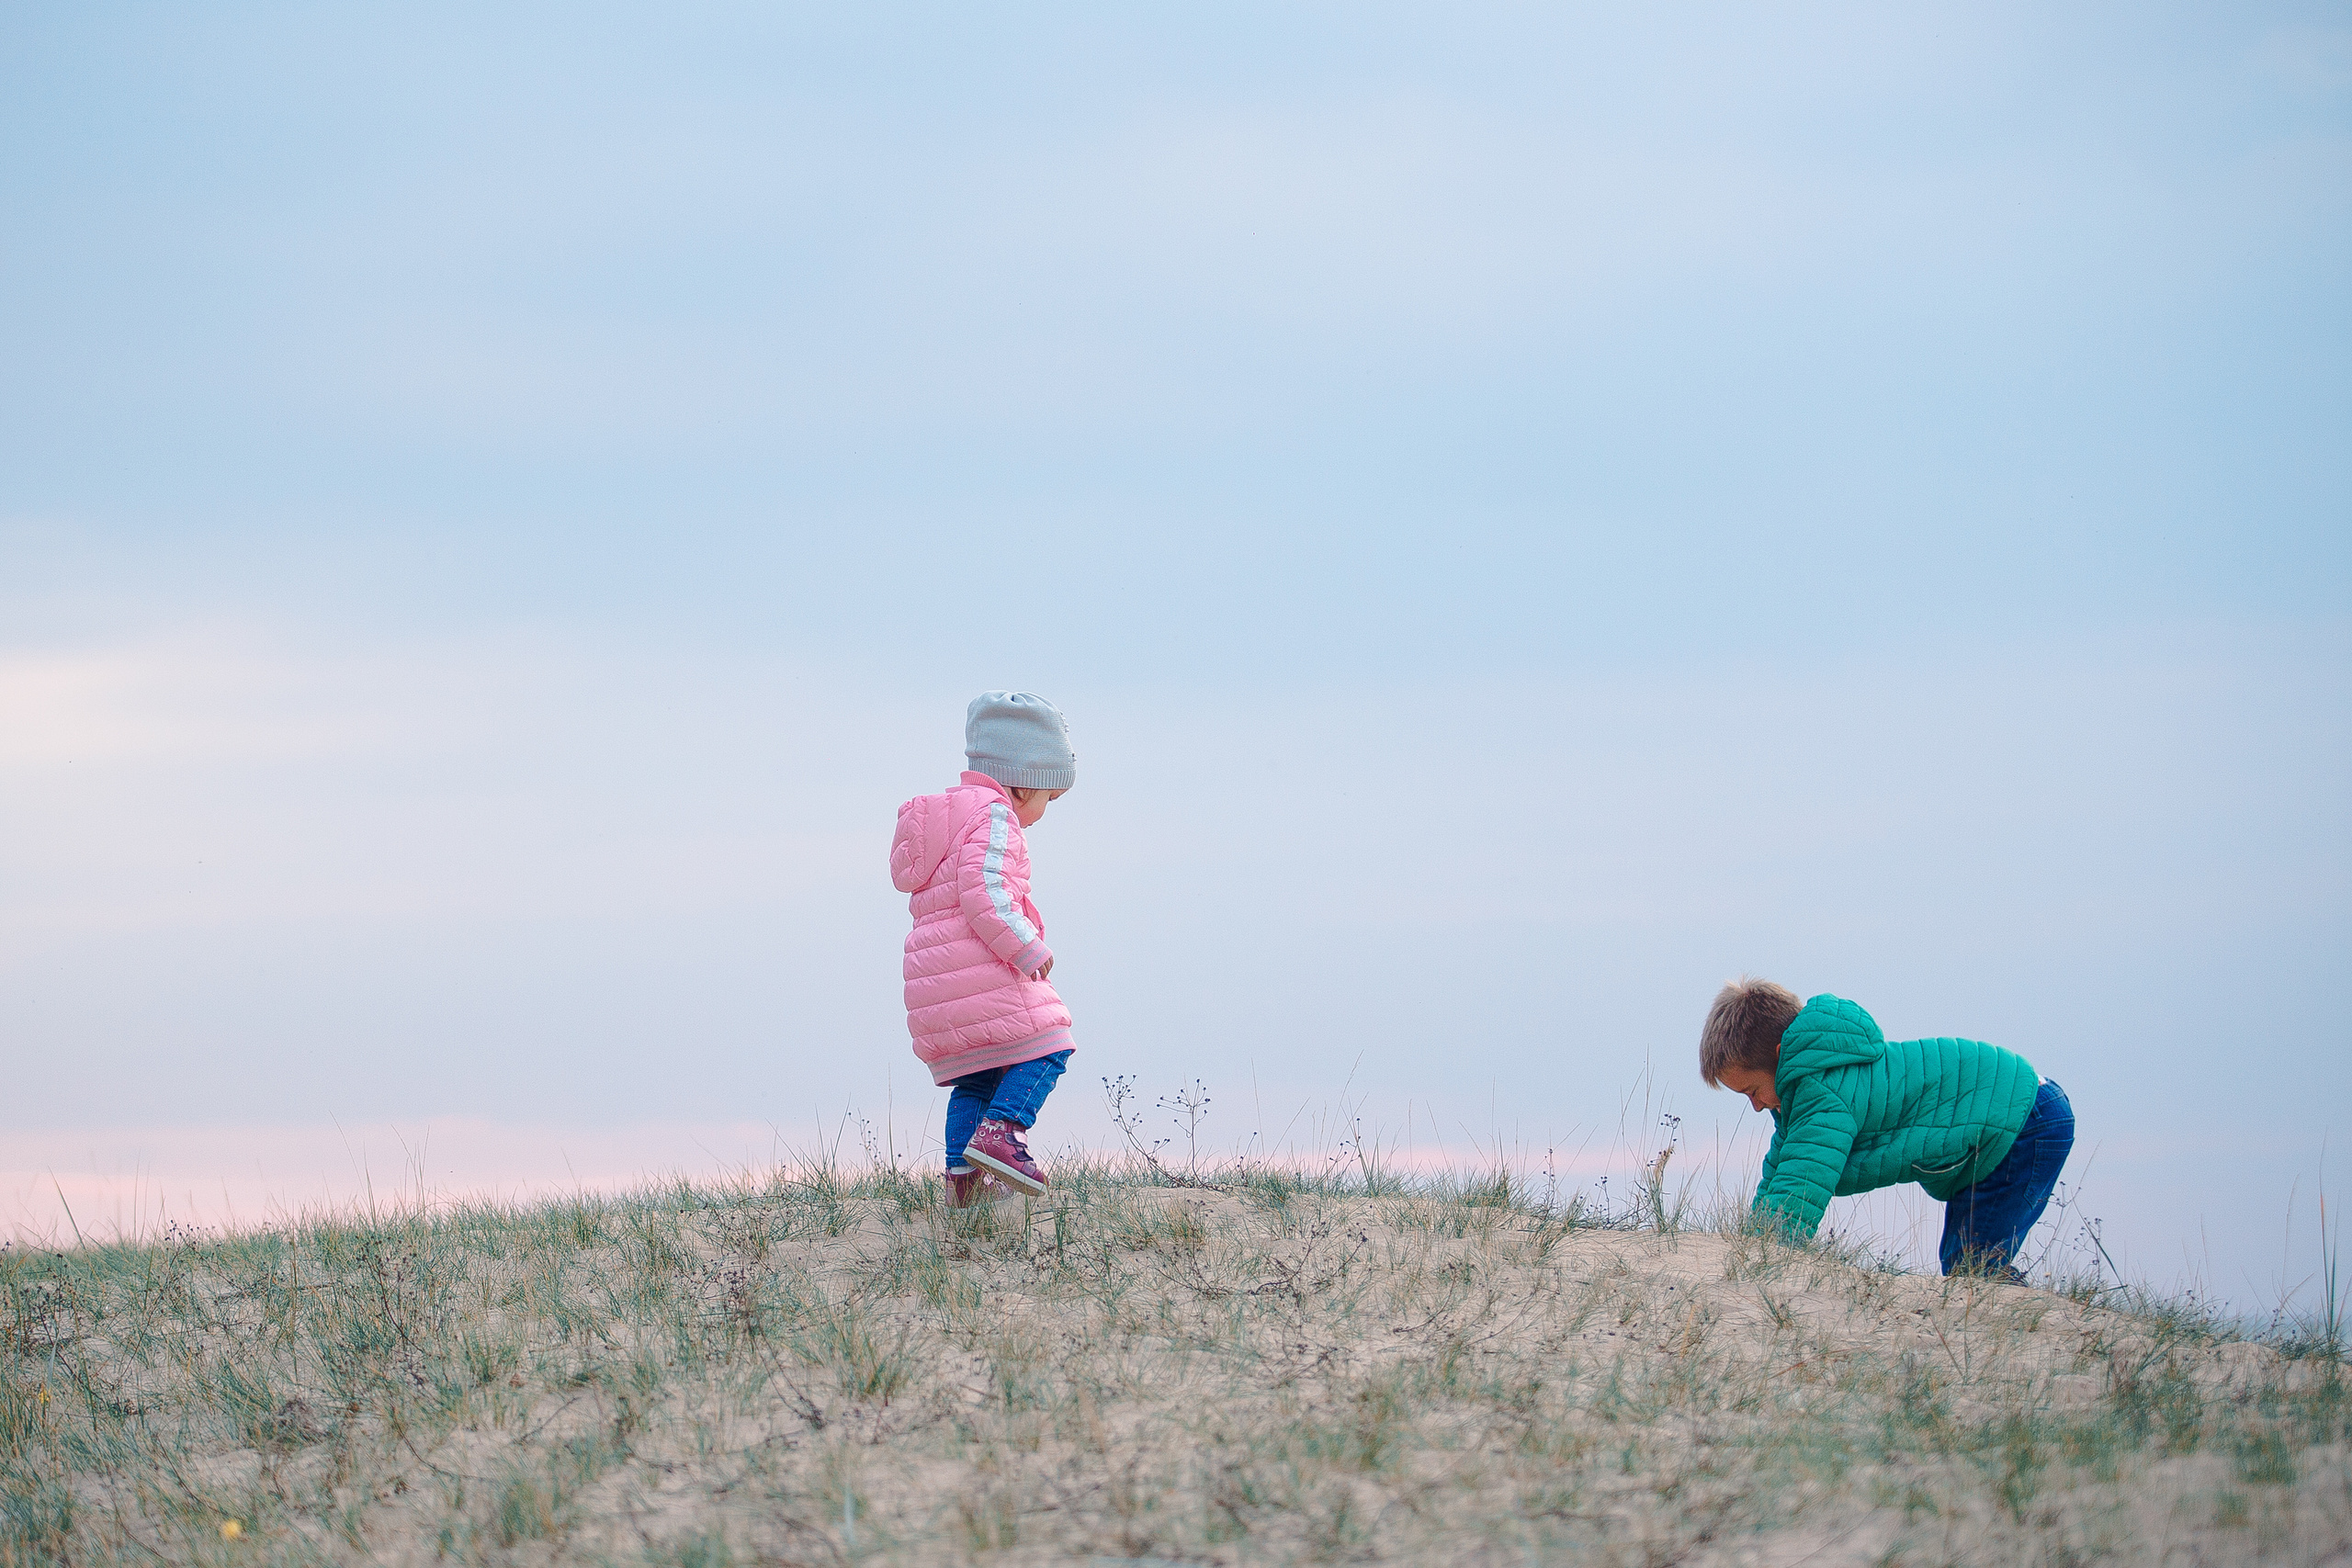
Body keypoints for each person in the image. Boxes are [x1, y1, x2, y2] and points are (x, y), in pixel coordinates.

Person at [1700, 978, 2074, 1280]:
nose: (1757, 1105)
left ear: (1780, 1056)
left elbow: (1800, 1187)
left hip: (2025, 1121)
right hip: (2008, 1116)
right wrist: (1747, 1245)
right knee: (1965, 1268)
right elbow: (1780, 1171)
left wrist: (1758, 1267)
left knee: (1976, 1269)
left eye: (1751, 1090)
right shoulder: (1805, 1091)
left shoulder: (1825, 1092)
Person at [889, 693, 1078, 1204]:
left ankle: (963, 1180)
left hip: (935, 984)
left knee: (976, 1075)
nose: (1043, 813)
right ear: (1021, 783)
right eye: (1047, 799)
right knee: (1052, 1041)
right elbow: (985, 891)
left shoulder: (946, 820)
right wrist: (1026, 947)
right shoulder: (995, 817)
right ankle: (1002, 1134)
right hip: (983, 969)